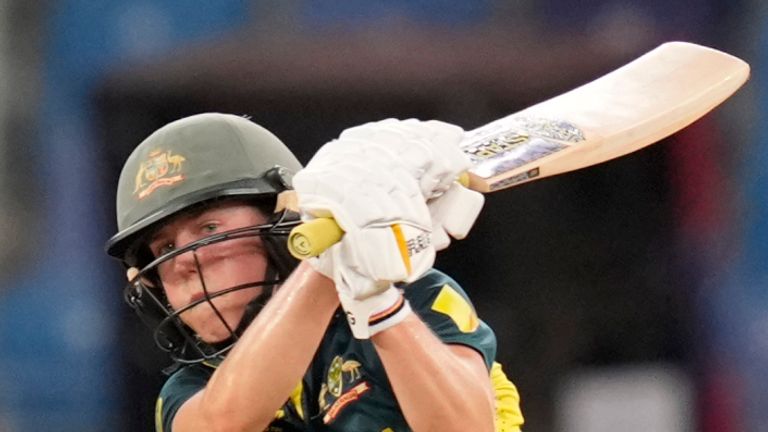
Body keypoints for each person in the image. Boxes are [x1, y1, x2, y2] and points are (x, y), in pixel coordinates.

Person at [104, 113, 524, 432]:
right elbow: (226, 420)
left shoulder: (419, 299)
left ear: (284, 225)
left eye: (209, 228)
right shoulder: (188, 391)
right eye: (164, 249)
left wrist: (376, 301)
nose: (182, 264)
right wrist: (330, 259)